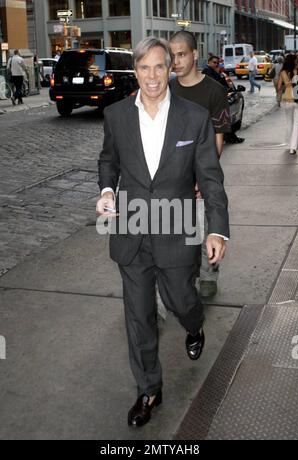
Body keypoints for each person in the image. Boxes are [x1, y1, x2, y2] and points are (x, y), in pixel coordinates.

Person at [96, 37, 229, 427]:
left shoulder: (193, 117)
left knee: (181, 299)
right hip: (131, 228)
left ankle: (194, 324)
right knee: (138, 316)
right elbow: (109, 161)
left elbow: (211, 177)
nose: (152, 76)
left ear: (170, 68)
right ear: (134, 71)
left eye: (159, 67)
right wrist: (106, 191)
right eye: (144, 68)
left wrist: (217, 230)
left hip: (177, 225)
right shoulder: (117, 115)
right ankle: (149, 390)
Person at [169, 30, 230, 298]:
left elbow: (218, 140)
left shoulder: (214, 91)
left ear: (194, 54)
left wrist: (202, 178)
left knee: (205, 226)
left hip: (202, 173)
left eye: (181, 54)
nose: (176, 61)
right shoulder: (168, 90)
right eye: (172, 55)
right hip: (173, 174)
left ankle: (208, 274)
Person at [202, 53, 245, 144]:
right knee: (222, 121)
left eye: (217, 63)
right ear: (209, 62)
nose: (216, 64)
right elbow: (216, 84)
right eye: (214, 62)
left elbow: (224, 85)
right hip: (211, 102)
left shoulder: (216, 72)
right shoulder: (207, 72)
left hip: (217, 100)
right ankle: (229, 138)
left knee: (224, 121)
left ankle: (230, 137)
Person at [278, 53, 298, 155]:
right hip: (297, 99)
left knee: (289, 122)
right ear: (294, 61)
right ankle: (293, 147)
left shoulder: (282, 72)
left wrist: (286, 84)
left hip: (286, 100)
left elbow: (278, 88)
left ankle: (289, 144)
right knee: (297, 124)